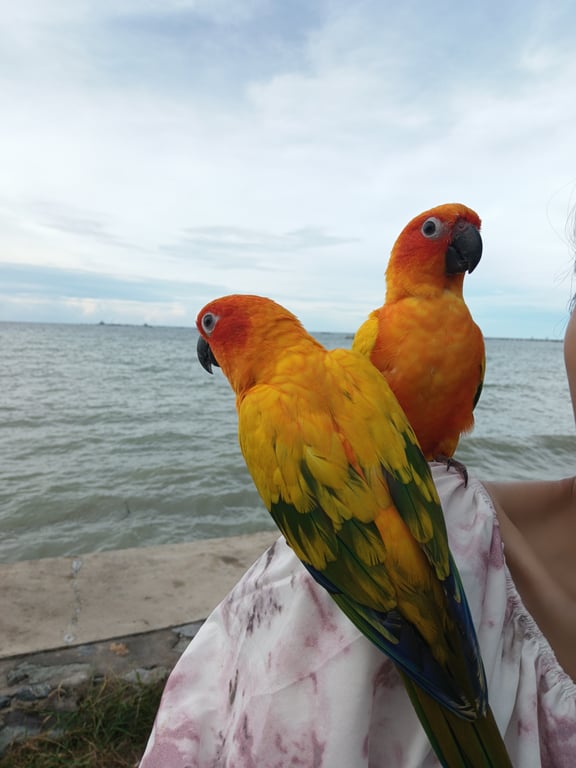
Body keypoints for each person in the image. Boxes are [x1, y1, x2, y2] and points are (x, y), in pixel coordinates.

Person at [139, 313, 576, 768]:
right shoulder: (351, 369)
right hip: (426, 555)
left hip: (378, 588)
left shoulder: (259, 415)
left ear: (249, 326)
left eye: (209, 324)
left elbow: (326, 553)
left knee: (447, 688)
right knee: (460, 688)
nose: (205, 343)